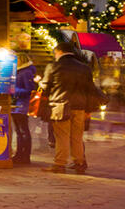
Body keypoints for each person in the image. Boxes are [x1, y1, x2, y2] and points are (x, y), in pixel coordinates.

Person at [38, 42, 105, 174]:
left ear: (59, 51)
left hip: (60, 106)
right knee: (77, 137)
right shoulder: (84, 68)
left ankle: (60, 164)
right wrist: (88, 109)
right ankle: (79, 163)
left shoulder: (53, 66)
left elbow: (45, 87)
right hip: (80, 107)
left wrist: (39, 81)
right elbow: (89, 89)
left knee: (62, 136)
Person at [11, 51, 37, 165]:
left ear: (21, 60)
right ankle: (19, 154)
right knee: (19, 131)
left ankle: (25, 156)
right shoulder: (20, 71)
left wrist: (13, 90)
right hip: (17, 105)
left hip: (22, 105)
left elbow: (30, 90)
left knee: (23, 130)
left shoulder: (25, 72)